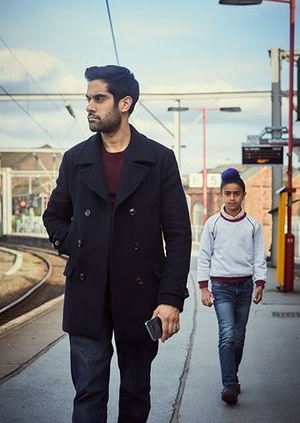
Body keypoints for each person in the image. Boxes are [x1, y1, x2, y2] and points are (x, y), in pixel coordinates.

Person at [43, 65, 191, 423]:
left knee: (136, 392)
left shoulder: (159, 159)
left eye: (99, 98)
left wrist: (170, 299)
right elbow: (54, 216)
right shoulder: (75, 159)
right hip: (86, 292)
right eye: (88, 99)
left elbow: (178, 234)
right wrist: (76, 243)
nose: (89, 107)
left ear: (125, 103)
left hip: (140, 297)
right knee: (89, 393)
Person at [197, 167, 267, 405]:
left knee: (238, 337)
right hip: (221, 287)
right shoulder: (212, 224)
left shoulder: (253, 226)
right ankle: (229, 384)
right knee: (227, 334)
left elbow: (259, 257)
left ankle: (232, 376)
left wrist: (259, 283)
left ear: (243, 194)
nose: (232, 198)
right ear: (222, 195)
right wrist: (204, 288)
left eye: (236, 193)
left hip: (245, 287)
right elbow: (204, 256)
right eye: (228, 193)